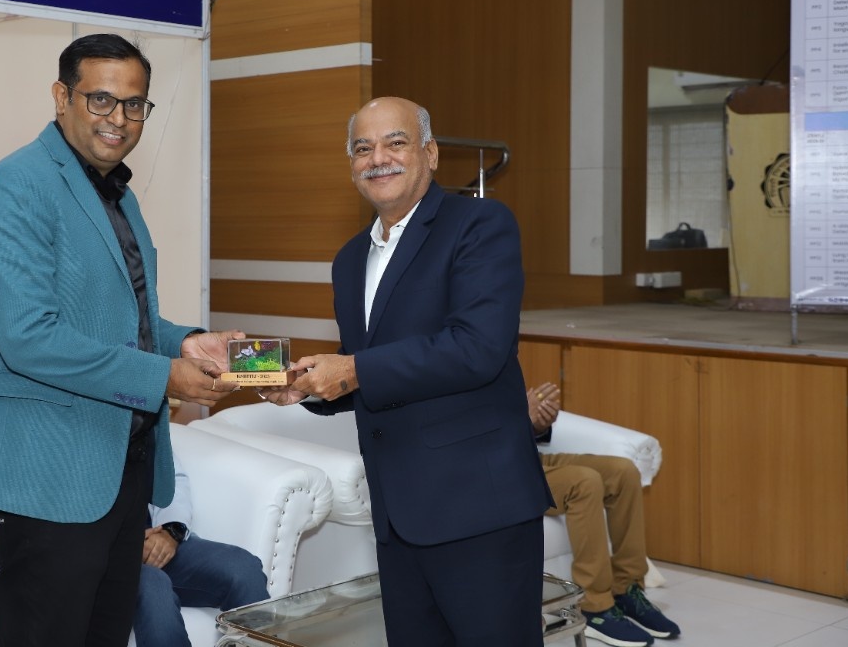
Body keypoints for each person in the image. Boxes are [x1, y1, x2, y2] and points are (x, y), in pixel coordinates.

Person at [0, 32, 242, 647]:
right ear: (62, 97)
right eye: (101, 100)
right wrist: (164, 377)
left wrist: (187, 343)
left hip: (121, 473)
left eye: (134, 104)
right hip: (50, 479)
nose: (118, 118)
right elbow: (28, 338)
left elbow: (123, 323)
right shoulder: (16, 187)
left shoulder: (116, 194)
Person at [262, 97, 554, 646]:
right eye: (363, 148)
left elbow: (477, 347)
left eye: (395, 143)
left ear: (431, 153)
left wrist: (353, 369)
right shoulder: (350, 259)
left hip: (478, 508)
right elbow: (371, 367)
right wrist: (308, 388)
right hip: (397, 516)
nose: (378, 158)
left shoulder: (480, 224)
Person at [528, 382, 681, 646]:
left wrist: (538, 424)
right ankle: (594, 606)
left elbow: (524, 425)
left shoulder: (499, 362)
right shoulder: (460, 369)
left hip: (530, 455)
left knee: (623, 472)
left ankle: (626, 588)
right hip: (502, 470)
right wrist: (522, 418)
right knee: (584, 482)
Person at [135, 458, 269, 647]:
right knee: (153, 586)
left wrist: (170, 531)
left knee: (243, 569)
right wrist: (126, 546)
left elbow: (170, 477)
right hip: (103, 552)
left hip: (154, 532)